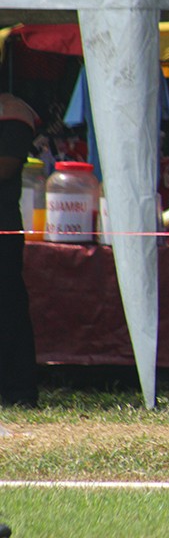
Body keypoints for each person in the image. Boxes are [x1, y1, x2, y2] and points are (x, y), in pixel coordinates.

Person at [0, 94, 39, 409]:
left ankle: (19, 390)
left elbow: (6, 166)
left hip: (3, 228)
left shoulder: (14, 112)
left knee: (9, 307)